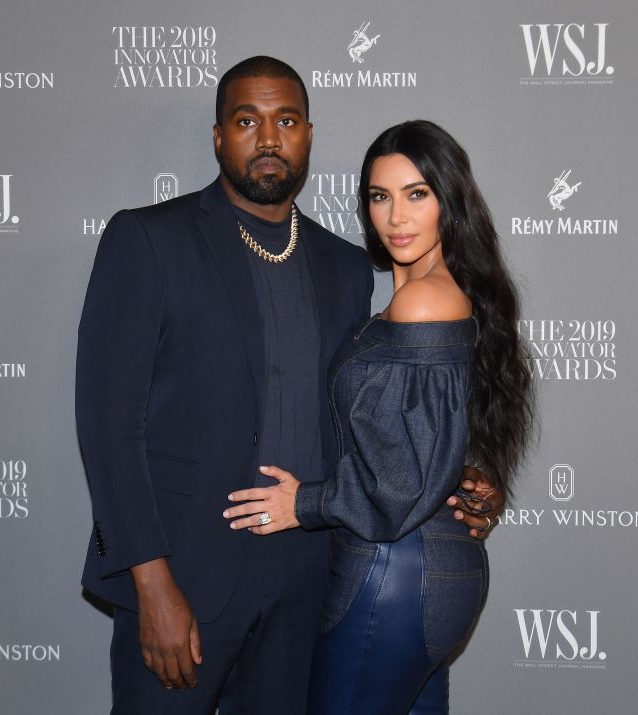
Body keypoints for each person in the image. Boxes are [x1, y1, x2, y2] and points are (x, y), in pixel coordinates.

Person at [76, 58, 504, 714]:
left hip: (309, 586)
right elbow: (109, 425)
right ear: (220, 137)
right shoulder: (150, 240)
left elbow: (363, 416)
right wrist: (149, 580)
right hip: (182, 579)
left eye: (286, 121)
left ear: (309, 134)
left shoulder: (345, 265)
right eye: (247, 121)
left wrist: (453, 471)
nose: (268, 138)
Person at [223, 120, 534, 713]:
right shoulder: (430, 294)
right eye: (379, 196)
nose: (396, 217)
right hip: (429, 573)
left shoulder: (424, 301)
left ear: (450, 200)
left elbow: (400, 485)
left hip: (393, 574)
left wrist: (302, 504)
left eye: (417, 194)